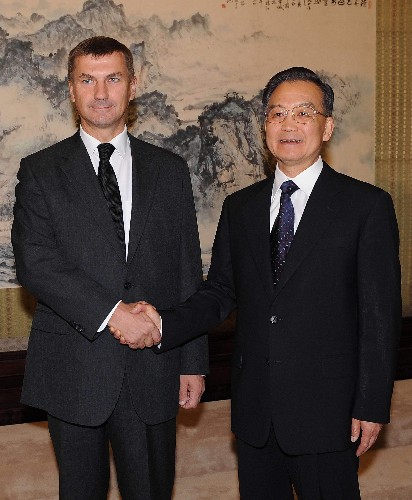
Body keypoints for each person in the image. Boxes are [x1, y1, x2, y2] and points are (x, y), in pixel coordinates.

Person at [118, 67, 402, 498]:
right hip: (256, 413)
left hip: (329, 412)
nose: (289, 124)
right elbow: (219, 293)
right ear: (264, 126)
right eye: (277, 113)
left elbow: (379, 318)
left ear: (327, 127)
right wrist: (163, 323)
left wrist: (372, 403)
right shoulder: (241, 207)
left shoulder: (365, 206)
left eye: (304, 113)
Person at [11, 36, 208, 500]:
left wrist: (193, 361)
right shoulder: (40, 170)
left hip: (153, 366)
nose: (101, 93)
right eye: (88, 80)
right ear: (71, 89)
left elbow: (186, 269)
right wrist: (114, 313)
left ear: (132, 86)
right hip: (72, 368)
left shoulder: (169, 170)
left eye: (113, 79)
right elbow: (36, 261)